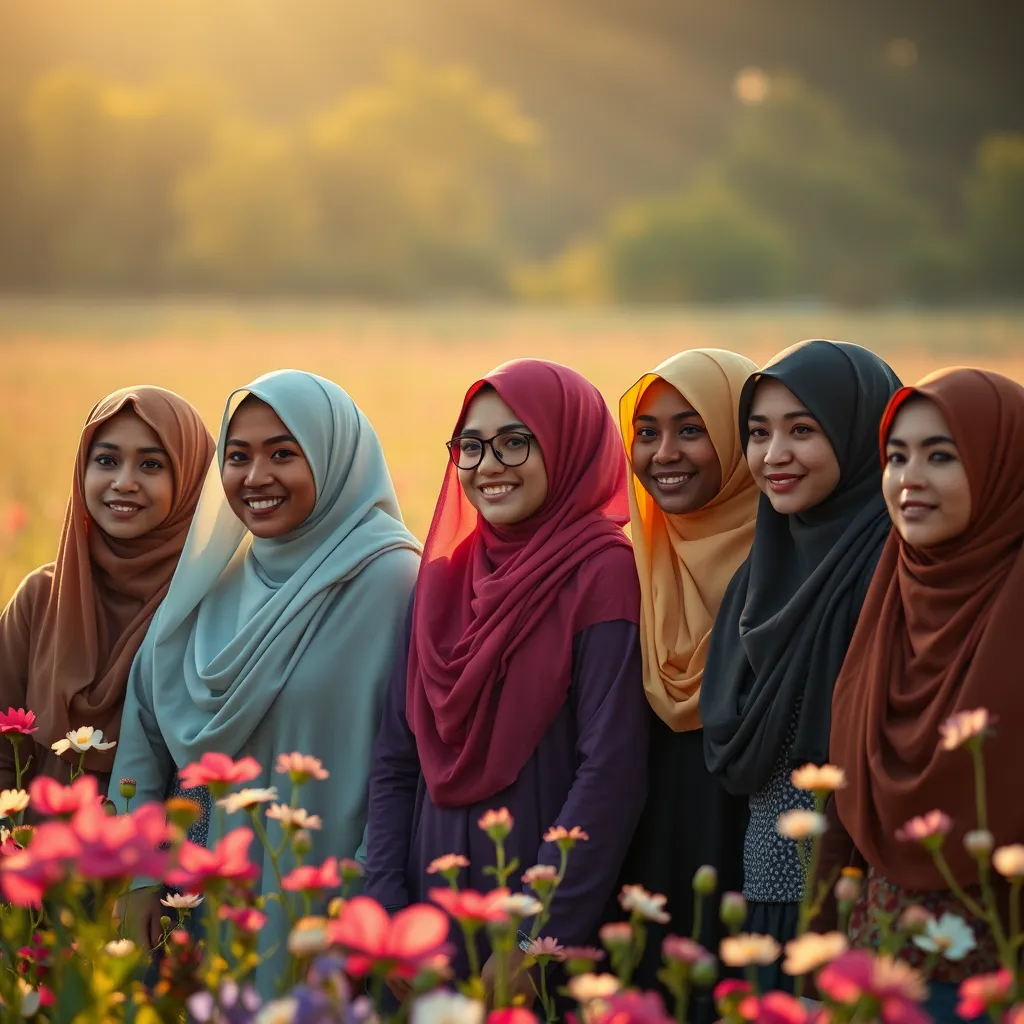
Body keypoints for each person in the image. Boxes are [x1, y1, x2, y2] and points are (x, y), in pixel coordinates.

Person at [109, 369, 420, 992]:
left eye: (283, 454)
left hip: (321, 901)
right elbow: (145, 723)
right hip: (194, 899)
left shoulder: (392, 582)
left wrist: (369, 898)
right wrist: (139, 873)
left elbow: (405, 761)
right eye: (238, 456)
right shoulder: (214, 582)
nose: (255, 477)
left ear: (334, 459)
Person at [365, 358, 648, 1001]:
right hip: (427, 914)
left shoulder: (602, 574)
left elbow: (610, 772)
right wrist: (389, 912)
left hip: (542, 914)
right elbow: (395, 758)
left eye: (515, 441)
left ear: (568, 444)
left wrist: (533, 937)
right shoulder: (442, 581)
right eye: (471, 446)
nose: (488, 464)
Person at [700, 340, 901, 991]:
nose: (773, 455)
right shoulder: (760, 572)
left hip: (863, 900)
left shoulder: (896, 566)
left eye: (803, 430)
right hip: (766, 891)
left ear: (860, 432)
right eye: (759, 433)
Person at [828, 368, 1024, 1023]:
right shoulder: (895, 593)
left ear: (1002, 467)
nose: (909, 478)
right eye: (896, 457)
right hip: (876, 963)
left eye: (941, 456)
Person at [613, 350, 759, 1011]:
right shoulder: (629, 565)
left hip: (754, 877)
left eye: (692, 429)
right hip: (640, 873)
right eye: (647, 432)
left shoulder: (788, 566)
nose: (664, 453)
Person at [0, 386, 214, 797]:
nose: (124, 482)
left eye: (151, 464)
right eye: (106, 461)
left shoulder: (209, 606)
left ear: (191, 479)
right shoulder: (41, 599)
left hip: (163, 834)